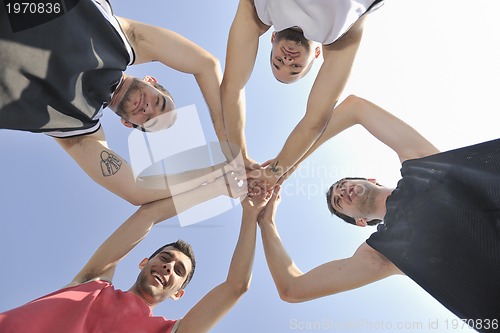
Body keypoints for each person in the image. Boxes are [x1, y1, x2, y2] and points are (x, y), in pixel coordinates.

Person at [257, 95, 500, 332]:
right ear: (360, 221)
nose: (341, 193)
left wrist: (288, 162)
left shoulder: (422, 163)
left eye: (342, 185)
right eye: (338, 202)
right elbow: (292, 289)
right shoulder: (385, 253)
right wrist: (266, 222)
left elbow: (355, 107)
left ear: (370, 179)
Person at [0, 0, 229, 205]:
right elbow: (206, 65)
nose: (148, 109)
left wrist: (219, 172)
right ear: (150, 80)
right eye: (158, 102)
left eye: (148, 121)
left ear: (128, 124)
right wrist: (228, 142)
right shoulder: (122, 39)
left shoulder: (78, 128)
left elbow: (137, 191)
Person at [0, 170, 278, 333]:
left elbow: (236, 287)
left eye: (179, 271)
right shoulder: (94, 282)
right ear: (144, 262)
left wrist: (250, 214)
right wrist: (218, 186)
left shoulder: (167, 331)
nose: (169, 267)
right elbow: (149, 214)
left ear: (178, 293)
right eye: (165, 258)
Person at [221, 0, 384, 189]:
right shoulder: (338, 34)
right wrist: (276, 170)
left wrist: (238, 157)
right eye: (295, 67)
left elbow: (232, 87)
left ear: (272, 38)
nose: (288, 59)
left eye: (278, 61)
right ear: (317, 54)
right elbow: (315, 121)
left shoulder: (260, 10)